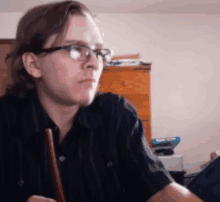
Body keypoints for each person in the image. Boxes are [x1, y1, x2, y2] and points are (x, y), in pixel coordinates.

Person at [2, 1, 203, 202]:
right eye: (75, 49)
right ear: (33, 64)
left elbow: (160, 188)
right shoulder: (5, 120)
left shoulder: (116, 113)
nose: (94, 63)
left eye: (98, 52)